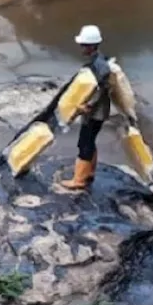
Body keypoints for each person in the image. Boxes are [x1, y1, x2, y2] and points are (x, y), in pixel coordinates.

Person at [62, 25, 115, 191]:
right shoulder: (99, 61)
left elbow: (100, 87)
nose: (82, 48)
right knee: (90, 141)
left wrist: (88, 105)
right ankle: (89, 172)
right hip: (97, 112)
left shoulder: (99, 66)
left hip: (94, 113)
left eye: (84, 45)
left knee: (84, 143)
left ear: (91, 46)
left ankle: (79, 180)